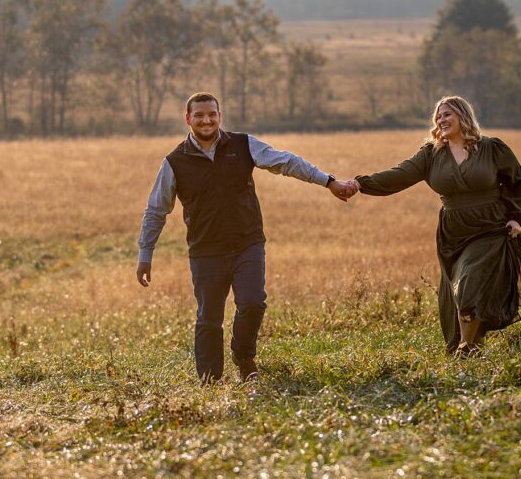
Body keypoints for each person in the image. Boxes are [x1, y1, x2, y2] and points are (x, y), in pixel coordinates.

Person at [136, 91, 358, 382]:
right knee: (209, 318)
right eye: (199, 115)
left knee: (253, 302)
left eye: (212, 114)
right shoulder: (175, 162)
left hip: (247, 243)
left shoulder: (243, 145)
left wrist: (328, 181)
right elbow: (155, 211)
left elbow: (286, 162)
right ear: (188, 118)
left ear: (220, 117)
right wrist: (145, 254)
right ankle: (209, 381)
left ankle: (244, 358)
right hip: (206, 251)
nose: (206, 120)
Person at [350, 95, 521, 356]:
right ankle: (473, 348)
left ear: (463, 116)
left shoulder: (492, 148)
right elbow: (400, 175)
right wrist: (360, 184)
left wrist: (516, 218)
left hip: (490, 227)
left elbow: (516, 181)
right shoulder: (431, 154)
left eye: (447, 114)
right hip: (453, 233)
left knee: (468, 282)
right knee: (456, 292)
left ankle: (466, 348)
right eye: (438, 116)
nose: (441, 120)